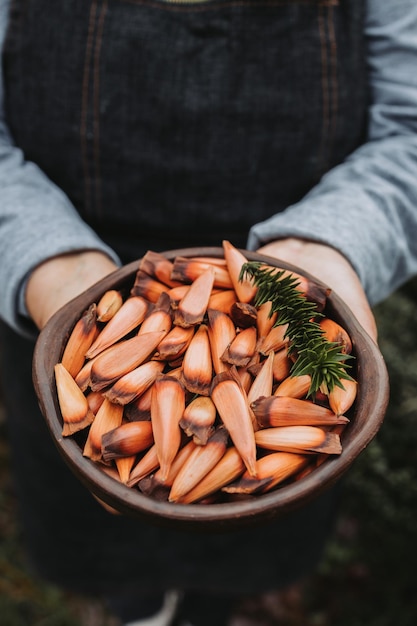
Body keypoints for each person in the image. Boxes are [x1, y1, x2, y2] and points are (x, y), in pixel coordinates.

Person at [0, 0, 416, 624]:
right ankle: (134, 604)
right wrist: (49, 262)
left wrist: (328, 244)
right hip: (65, 288)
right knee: (98, 507)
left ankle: (205, 609)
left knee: (252, 521)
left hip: (279, 266)